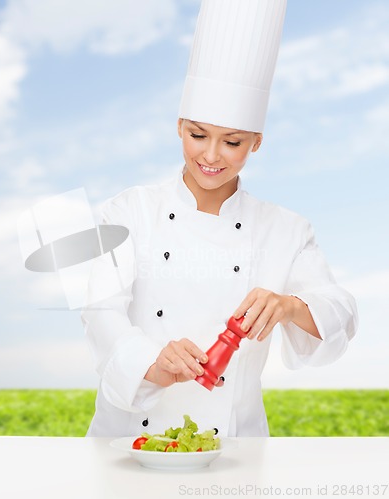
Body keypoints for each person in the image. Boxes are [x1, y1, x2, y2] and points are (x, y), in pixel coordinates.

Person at [81, 0, 358, 438]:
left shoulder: (285, 229)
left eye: (232, 142)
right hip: (128, 436)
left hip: (234, 444)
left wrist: (288, 306)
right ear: (178, 126)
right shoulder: (127, 212)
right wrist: (149, 362)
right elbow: (100, 311)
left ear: (257, 142)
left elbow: (341, 313)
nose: (210, 156)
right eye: (197, 135)